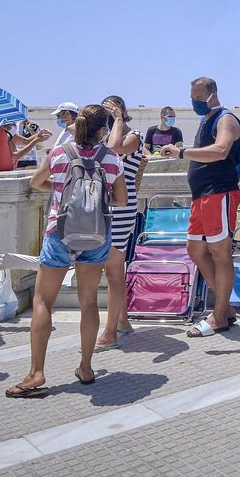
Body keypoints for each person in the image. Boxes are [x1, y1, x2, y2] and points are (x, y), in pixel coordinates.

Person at [8, 104, 126, 397]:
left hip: (59, 232)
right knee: (88, 302)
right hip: (96, 235)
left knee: (42, 301)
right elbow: (121, 200)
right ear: (103, 131)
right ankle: (86, 367)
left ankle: (36, 373)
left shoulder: (59, 153)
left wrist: (61, 189)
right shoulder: (111, 158)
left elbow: (36, 182)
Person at [159, 77, 240, 337]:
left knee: (220, 253)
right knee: (195, 249)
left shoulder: (226, 119)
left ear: (212, 95)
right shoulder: (206, 120)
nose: (195, 102)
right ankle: (225, 308)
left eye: (198, 98)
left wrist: (183, 153)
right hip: (201, 196)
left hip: (219, 193)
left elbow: (221, 150)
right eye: (192, 98)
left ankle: (219, 316)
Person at [96, 95, 145, 350]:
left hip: (122, 207)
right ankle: (122, 321)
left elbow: (116, 148)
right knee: (112, 268)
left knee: (114, 268)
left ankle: (110, 332)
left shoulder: (134, 136)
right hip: (107, 204)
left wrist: (117, 119)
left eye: (112, 111)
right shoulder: (105, 137)